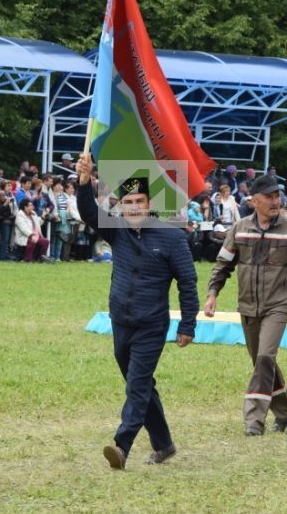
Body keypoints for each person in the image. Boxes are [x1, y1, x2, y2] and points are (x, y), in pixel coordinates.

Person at [76, 153, 198, 470]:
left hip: (151, 326)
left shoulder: (172, 237)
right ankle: (164, 445)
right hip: (121, 322)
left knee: (137, 385)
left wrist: (188, 325)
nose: (133, 207)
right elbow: (89, 212)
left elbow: (187, 282)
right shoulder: (118, 231)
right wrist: (84, 180)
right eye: (127, 201)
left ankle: (122, 446)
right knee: (141, 386)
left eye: (139, 201)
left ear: (150, 204)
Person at [205, 174, 287, 436]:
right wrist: (212, 294)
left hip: (278, 306)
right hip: (247, 306)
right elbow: (223, 265)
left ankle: (254, 420)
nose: (275, 201)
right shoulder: (240, 228)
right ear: (254, 201)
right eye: (269, 197)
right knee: (262, 362)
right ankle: (285, 414)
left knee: (265, 357)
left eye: (277, 196)